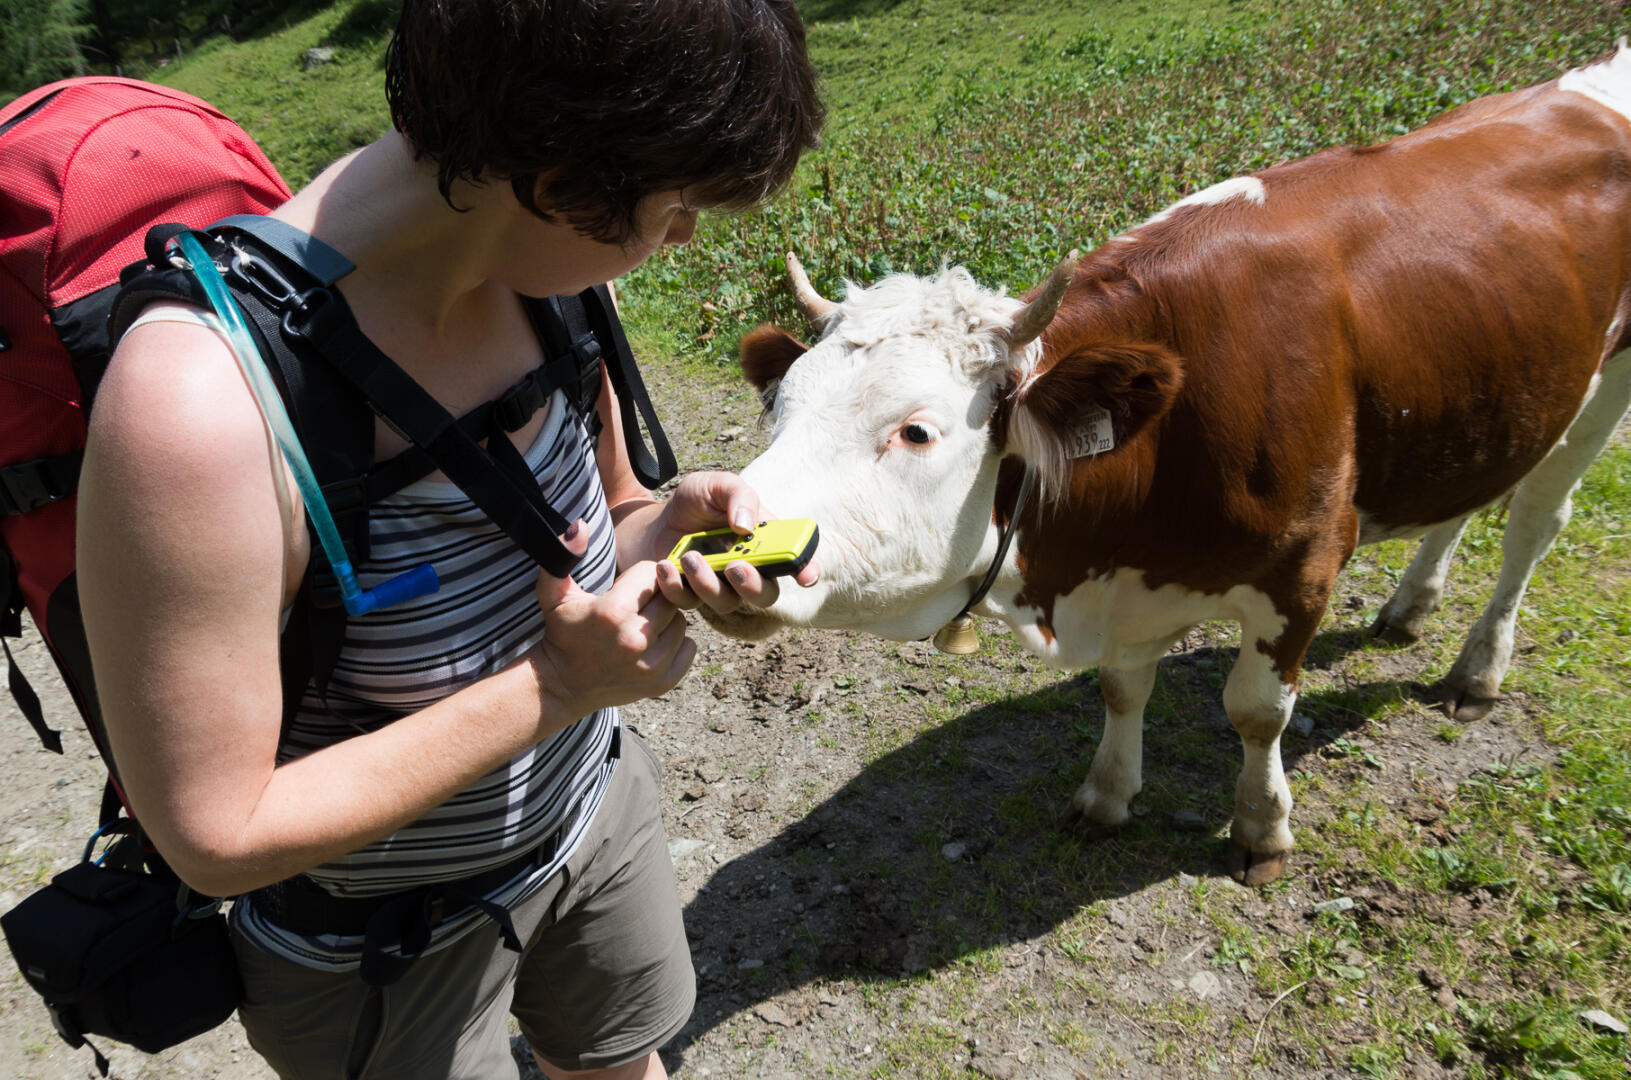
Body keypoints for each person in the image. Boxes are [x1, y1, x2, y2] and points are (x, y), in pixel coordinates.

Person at [74, 0, 824, 1076]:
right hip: (378, 942)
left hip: (589, 811)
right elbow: (213, 832)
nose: (683, 240)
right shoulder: (200, 404)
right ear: (559, 181)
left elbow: (603, 522)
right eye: (676, 210)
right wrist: (556, 687)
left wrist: (673, 533)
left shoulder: (554, 285)